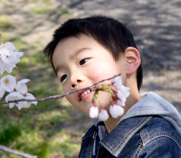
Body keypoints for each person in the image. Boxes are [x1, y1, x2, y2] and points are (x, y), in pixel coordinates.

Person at [43, 16, 181, 158]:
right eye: (63, 77)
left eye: (83, 61)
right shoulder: (95, 135)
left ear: (129, 61)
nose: (73, 79)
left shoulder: (157, 142)